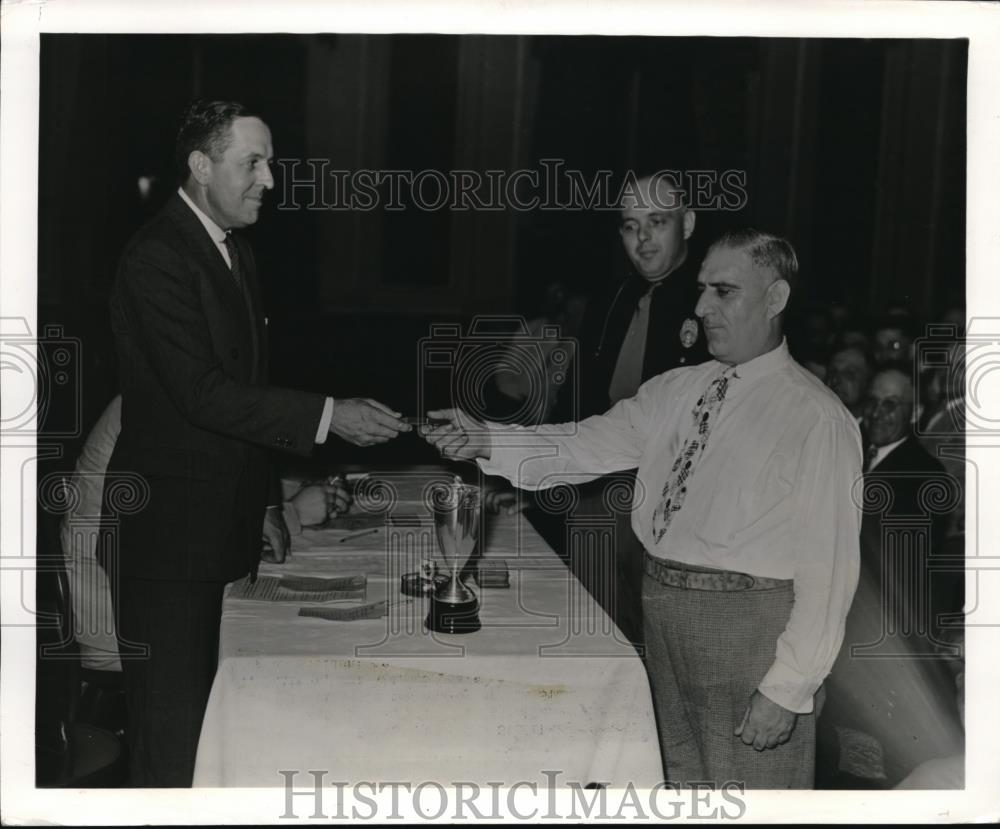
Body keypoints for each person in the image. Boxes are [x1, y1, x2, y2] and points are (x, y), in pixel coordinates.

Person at [423, 229, 861, 788]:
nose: (701, 307)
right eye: (701, 289)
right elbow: (583, 443)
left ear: (775, 299)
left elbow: (831, 572)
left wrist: (788, 688)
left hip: (748, 638)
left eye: (723, 292)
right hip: (662, 617)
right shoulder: (676, 389)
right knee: (675, 790)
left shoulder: (816, 417)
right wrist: (487, 439)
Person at [104, 99, 409, 786]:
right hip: (169, 547)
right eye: (253, 163)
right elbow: (204, 395)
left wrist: (267, 501)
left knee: (220, 744)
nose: (270, 180)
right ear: (200, 165)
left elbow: (247, 392)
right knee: (175, 755)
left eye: (270, 163)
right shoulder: (156, 258)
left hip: (218, 532)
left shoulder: (232, 250)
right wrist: (330, 415)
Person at [546, 173, 711, 645]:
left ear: (688, 223)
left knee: (661, 640)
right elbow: (575, 399)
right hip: (595, 494)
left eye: (656, 222)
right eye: (629, 226)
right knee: (594, 633)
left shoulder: (712, 304)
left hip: (668, 506)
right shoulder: (610, 300)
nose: (641, 239)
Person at [817, 369, 962, 787]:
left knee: (865, 763)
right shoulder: (849, 451)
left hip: (876, 636)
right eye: (874, 402)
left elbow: (896, 570)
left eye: (892, 405)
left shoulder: (924, 475)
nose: (879, 413)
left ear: (913, 412)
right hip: (837, 623)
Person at [826, 344, 874, 425]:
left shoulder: (873, 432)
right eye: (832, 372)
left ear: (868, 381)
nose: (835, 380)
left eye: (849, 374)